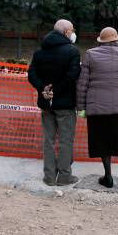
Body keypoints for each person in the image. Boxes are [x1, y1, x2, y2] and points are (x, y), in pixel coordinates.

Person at [76, 27, 118, 188]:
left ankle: (108, 177)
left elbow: (82, 84)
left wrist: (81, 107)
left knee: (103, 142)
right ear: (117, 40)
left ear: (101, 41)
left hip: (98, 108)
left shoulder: (91, 55)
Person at [28, 19, 81, 186]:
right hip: (65, 104)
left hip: (46, 103)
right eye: (72, 29)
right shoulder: (72, 52)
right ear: (66, 32)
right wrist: (55, 90)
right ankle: (64, 176)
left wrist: (44, 89)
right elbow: (72, 76)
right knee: (66, 140)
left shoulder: (39, 52)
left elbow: (32, 75)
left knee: (48, 140)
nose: (73, 32)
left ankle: (49, 176)